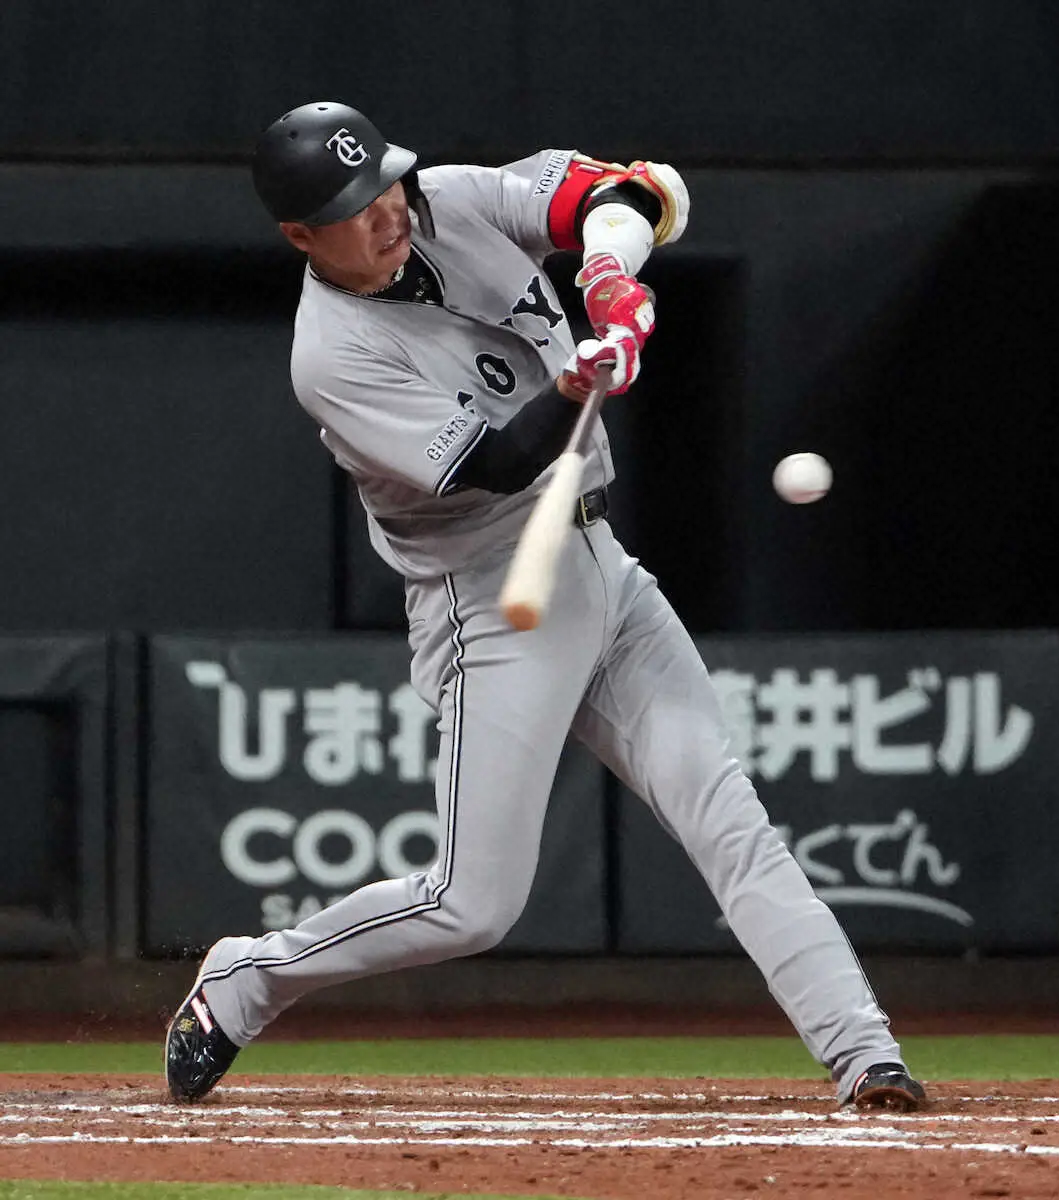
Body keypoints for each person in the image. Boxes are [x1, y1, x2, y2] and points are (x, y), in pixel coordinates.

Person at [164, 100, 927, 1113]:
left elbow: (631, 191)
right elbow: (499, 461)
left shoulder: (454, 199)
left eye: (386, 180)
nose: (388, 209)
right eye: (355, 205)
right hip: (491, 599)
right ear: (302, 236)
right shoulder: (330, 356)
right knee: (471, 905)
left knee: (727, 816)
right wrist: (581, 376)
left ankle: (863, 1055)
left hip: (598, 565)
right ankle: (248, 977)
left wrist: (610, 277)